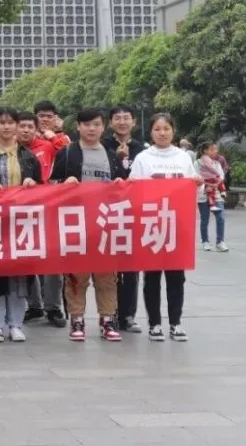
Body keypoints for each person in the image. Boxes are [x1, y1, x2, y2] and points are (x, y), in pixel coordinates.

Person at [51, 108, 125, 343]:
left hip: (105, 224)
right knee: (76, 276)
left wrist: (121, 183)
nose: (91, 129)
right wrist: (64, 184)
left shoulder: (112, 155)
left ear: (103, 127)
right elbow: (51, 186)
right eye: (86, 124)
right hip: (76, 224)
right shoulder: (67, 153)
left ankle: (108, 319)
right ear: (78, 127)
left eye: (96, 124)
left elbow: (124, 187)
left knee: (107, 276)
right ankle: (77, 319)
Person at [129, 113, 199, 342]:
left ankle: (176, 323)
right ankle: (155, 324)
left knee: (176, 277)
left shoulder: (183, 157)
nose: (162, 133)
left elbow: (192, 189)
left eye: (166, 128)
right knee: (152, 277)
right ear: (151, 132)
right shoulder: (142, 158)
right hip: (151, 225)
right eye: (157, 129)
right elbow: (133, 190)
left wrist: (197, 183)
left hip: (177, 226)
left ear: (173, 130)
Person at [0, 108, 42, 343]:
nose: (6, 127)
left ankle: (16, 324)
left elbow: (43, 188)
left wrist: (33, 183)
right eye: (2, 122)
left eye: (10, 122)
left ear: (16, 125)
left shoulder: (29, 156)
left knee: (19, 275)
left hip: (20, 222)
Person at [17, 111, 66, 326]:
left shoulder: (47, 147)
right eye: (22, 126)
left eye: (30, 126)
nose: (26, 130)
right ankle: (34, 306)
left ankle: (53, 307)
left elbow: (67, 150)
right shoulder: (9, 150)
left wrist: (55, 133)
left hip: (48, 209)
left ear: (36, 129)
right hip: (20, 212)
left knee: (52, 260)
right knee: (27, 260)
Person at [103, 104, 147, 333]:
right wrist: (117, 160)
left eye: (126, 118)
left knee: (131, 268)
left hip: (134, 213)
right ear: (110, 123)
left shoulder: (142, 149)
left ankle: (128, 315)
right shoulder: (102, 147)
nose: (122, 122)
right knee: (109, 269)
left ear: (134, 122)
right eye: (117, 118)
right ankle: (109, 314)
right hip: (107, 213)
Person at [197, 142, 228, 252]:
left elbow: (221, 176)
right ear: (205, 151)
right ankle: (205, 241)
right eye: (212, 149)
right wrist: (206, 185)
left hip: (216, 194)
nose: (215, 151)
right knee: (205, 219)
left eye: (215, 149)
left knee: (221, 218)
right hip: (203, 194)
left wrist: (216, 184)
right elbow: (196, 177)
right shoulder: (198, 163)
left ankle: (220, 242)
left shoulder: (216, 164)